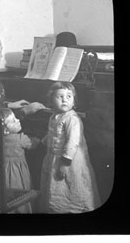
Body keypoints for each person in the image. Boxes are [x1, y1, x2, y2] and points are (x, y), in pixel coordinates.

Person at [40, 81, 100, 213]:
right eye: (59, 96)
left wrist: (65, 163)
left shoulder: (72, 119)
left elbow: (73, 141)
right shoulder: (54, 117)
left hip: (69, 161)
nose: (64, 100)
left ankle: (72, 208)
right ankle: (57, 208)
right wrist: (43, 141)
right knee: (57, 188)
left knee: (71, 186)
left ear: (74, 101)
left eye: (69, 96)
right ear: (50, 101)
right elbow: (53, 133)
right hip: (54, 157)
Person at [0, 108, 39, 213]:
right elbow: (33, 145)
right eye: (14, 120)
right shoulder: (20, 138)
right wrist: (38, 139)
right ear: (5, 130)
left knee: (1, 196)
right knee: (18, 195)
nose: (18, 120)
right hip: (16, 174)